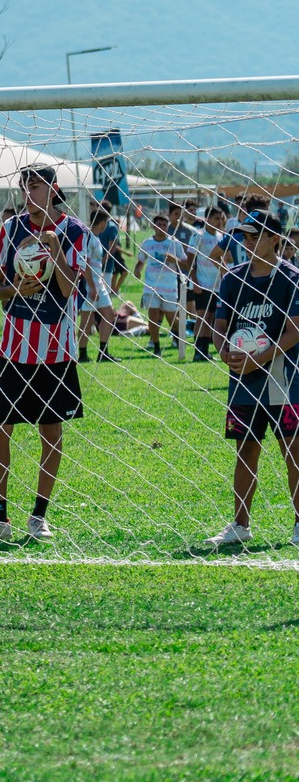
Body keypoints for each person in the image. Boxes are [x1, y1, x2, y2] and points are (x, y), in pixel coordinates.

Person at [0, 166, 90, 543]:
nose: (28, 192)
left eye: (34, 185)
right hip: (15, 348)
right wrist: (18, 288)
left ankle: (38, 516)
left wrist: (55, 251)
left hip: (56, 351)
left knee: (51, 433)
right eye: (25, 186)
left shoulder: (75, 231)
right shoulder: (11, 229)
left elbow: (68, 290)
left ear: (52, 189)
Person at [205, 209, 299, 548]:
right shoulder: (233, 278)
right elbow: (219, 327)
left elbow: (294, 330)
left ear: (274, 238)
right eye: (244, 236)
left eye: (255, 235)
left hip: (283, 381)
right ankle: (240, 524)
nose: (247, 242)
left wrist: (259, 357)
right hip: (244, 382)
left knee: (293, 451)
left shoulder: (291, 277)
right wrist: (224, 353)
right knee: (246, 450)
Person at [186, 205, 240, 362]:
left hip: (217, 284)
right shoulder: (198, 235)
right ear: (207, 219)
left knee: (211, 317)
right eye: (216, 218)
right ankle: (197, 350)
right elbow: (190, 260)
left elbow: (223, 258)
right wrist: (194, 281)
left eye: (221, 218)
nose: (219, 222)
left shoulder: (220, 237)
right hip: (202, 283)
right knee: (202, 316)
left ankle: (205, 350)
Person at [135, 211, 189, 357]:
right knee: (152, 315)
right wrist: (137, 270)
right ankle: (156, 347)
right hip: (151, 286)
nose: (162, 227)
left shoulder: (174, 243)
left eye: (164, 225)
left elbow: (186, 263)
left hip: (169, 287)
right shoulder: (147, 243)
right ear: (153, 226)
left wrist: (174, 260)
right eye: (159, 224)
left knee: (171, 317)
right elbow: (141, 261)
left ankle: (179, 338)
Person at [78, 205, 121, 365]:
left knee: (109, 314)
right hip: (91, 286)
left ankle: (103, 352)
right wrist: (92, 286)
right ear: (103, 223)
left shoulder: (95, 237)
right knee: (86, 321)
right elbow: (86, 264)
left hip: (98, 283)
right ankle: (82, 354)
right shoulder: (87, 237)